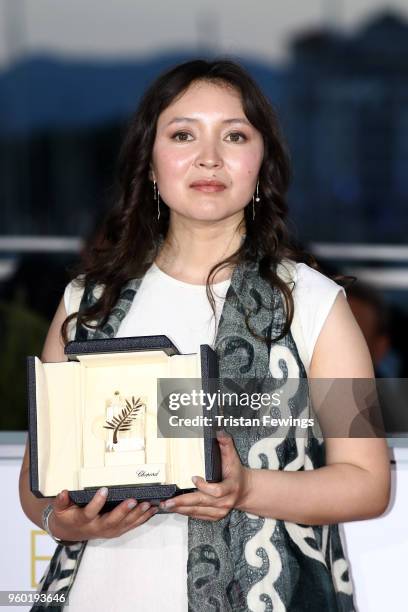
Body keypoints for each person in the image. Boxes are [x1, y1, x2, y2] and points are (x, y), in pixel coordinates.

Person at [19, 59, 391, 612]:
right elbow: (37, 477)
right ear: (150, 161)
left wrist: (248, 489)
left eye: (235, 135)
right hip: (98, 591)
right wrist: (59, 518)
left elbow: (368, 482)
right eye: (183, 134)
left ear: (261, 163)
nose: (209, 157)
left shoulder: (317, 305)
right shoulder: (86, 303)